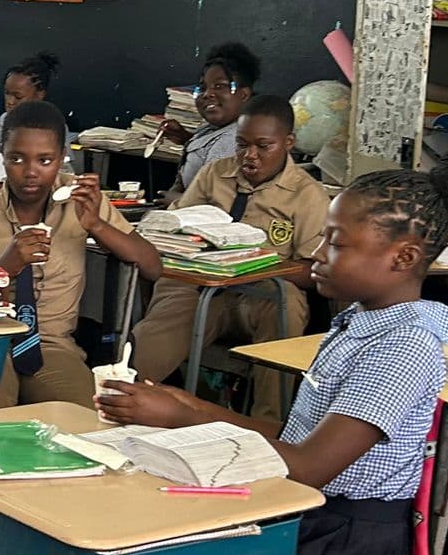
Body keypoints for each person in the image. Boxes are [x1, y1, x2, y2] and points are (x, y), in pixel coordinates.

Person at [38, 171, 448, 555]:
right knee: (139, 533)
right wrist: (187, 408)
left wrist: (186, 419)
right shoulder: (361, 324)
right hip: (308, 523)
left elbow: (309, 467)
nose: (318, 255)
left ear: (404, 257)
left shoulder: (403, 348)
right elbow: (292, 443)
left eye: (337, 243)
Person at [131, 94, 331, 419]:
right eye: (241, 144)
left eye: (263, 146)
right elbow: (174, 225)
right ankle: (125, 395)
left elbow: (315, 271)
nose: (249, 155)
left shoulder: (307, 195)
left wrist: (258, 264)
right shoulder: (215, 174)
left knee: (288, 304)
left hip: (261, 295)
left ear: (288, 143)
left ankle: (268, 422)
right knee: (157, 334)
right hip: (200, 287)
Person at [0, 100, 162, 409]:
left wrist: (96, 225)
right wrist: (6, 269)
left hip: (52, 345)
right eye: (16, 159)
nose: (30, 172)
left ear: (62, 157)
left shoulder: (81, 202)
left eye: (45, 160)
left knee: (86, 414)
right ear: (3, 157)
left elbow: (152, 267)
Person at [159, 41, 260, 192]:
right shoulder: (215, 129)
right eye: (202, 88)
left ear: (244, 94)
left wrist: (176, 200)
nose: (207, 94)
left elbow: (216, 201)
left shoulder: (233, 139)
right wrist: (185, 138)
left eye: (219, 86)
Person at [0, 50, 60, 151]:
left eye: (18, 97)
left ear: (40, 95)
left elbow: (65, 159)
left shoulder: (54, 125)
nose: (10, 102)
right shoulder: (3, 121)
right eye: (7, 93)